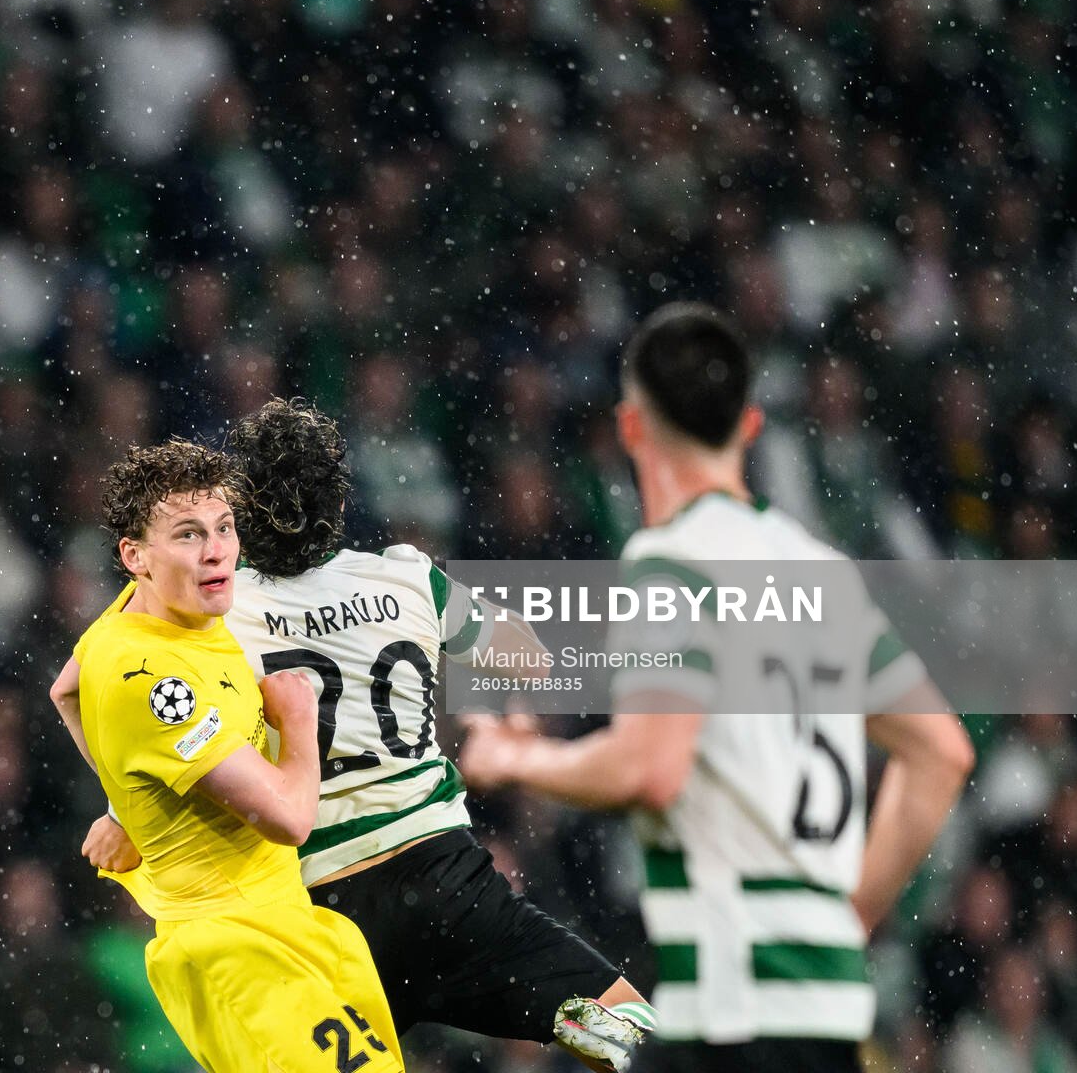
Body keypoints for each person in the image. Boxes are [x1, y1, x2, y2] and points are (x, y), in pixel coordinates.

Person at [458, 303, 976, 1073]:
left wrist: (513, 760)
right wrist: (849, 917)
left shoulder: (671, 565)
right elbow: (941, 752)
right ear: (751, 426)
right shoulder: (820, 571)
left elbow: (649, 767)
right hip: (828, 1015)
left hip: (737, 1013)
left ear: (632, 428)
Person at [48, 440, 403, 1073]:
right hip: (235, 946)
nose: (216, 551)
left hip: (284, 924)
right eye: (188, 535)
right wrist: (297, 721)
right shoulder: (155, 680)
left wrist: (127, 804)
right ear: (135, 557)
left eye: (224, 527)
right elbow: (289, 818)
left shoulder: (139, 612)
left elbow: (67, 690)